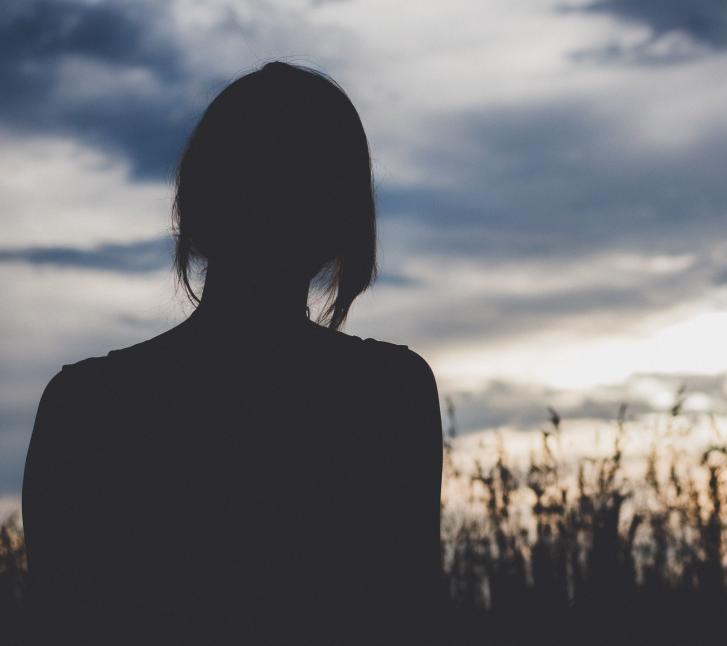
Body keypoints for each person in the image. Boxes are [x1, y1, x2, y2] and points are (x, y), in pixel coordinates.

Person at [21, 61, 444, 645]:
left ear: (194, 209)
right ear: (342, 221)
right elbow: (406, 615)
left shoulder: (86, 405)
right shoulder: (386, 396)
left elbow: (57, 621)